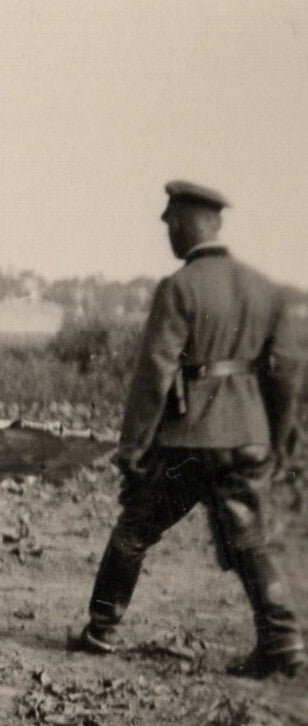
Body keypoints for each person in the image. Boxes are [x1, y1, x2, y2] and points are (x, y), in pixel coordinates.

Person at [70, 180, 302, 678]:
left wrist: (133, 447)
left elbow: (154, 373)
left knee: (135, 528)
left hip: (190, 440)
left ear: (185, 224)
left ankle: (101, 630)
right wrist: (277, 439)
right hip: (249, 436)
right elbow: (285, 372)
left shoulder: (179, 287)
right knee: (249, 537)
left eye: (170, 224)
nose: (168, 234)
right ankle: (282, 641)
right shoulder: (265, 288)